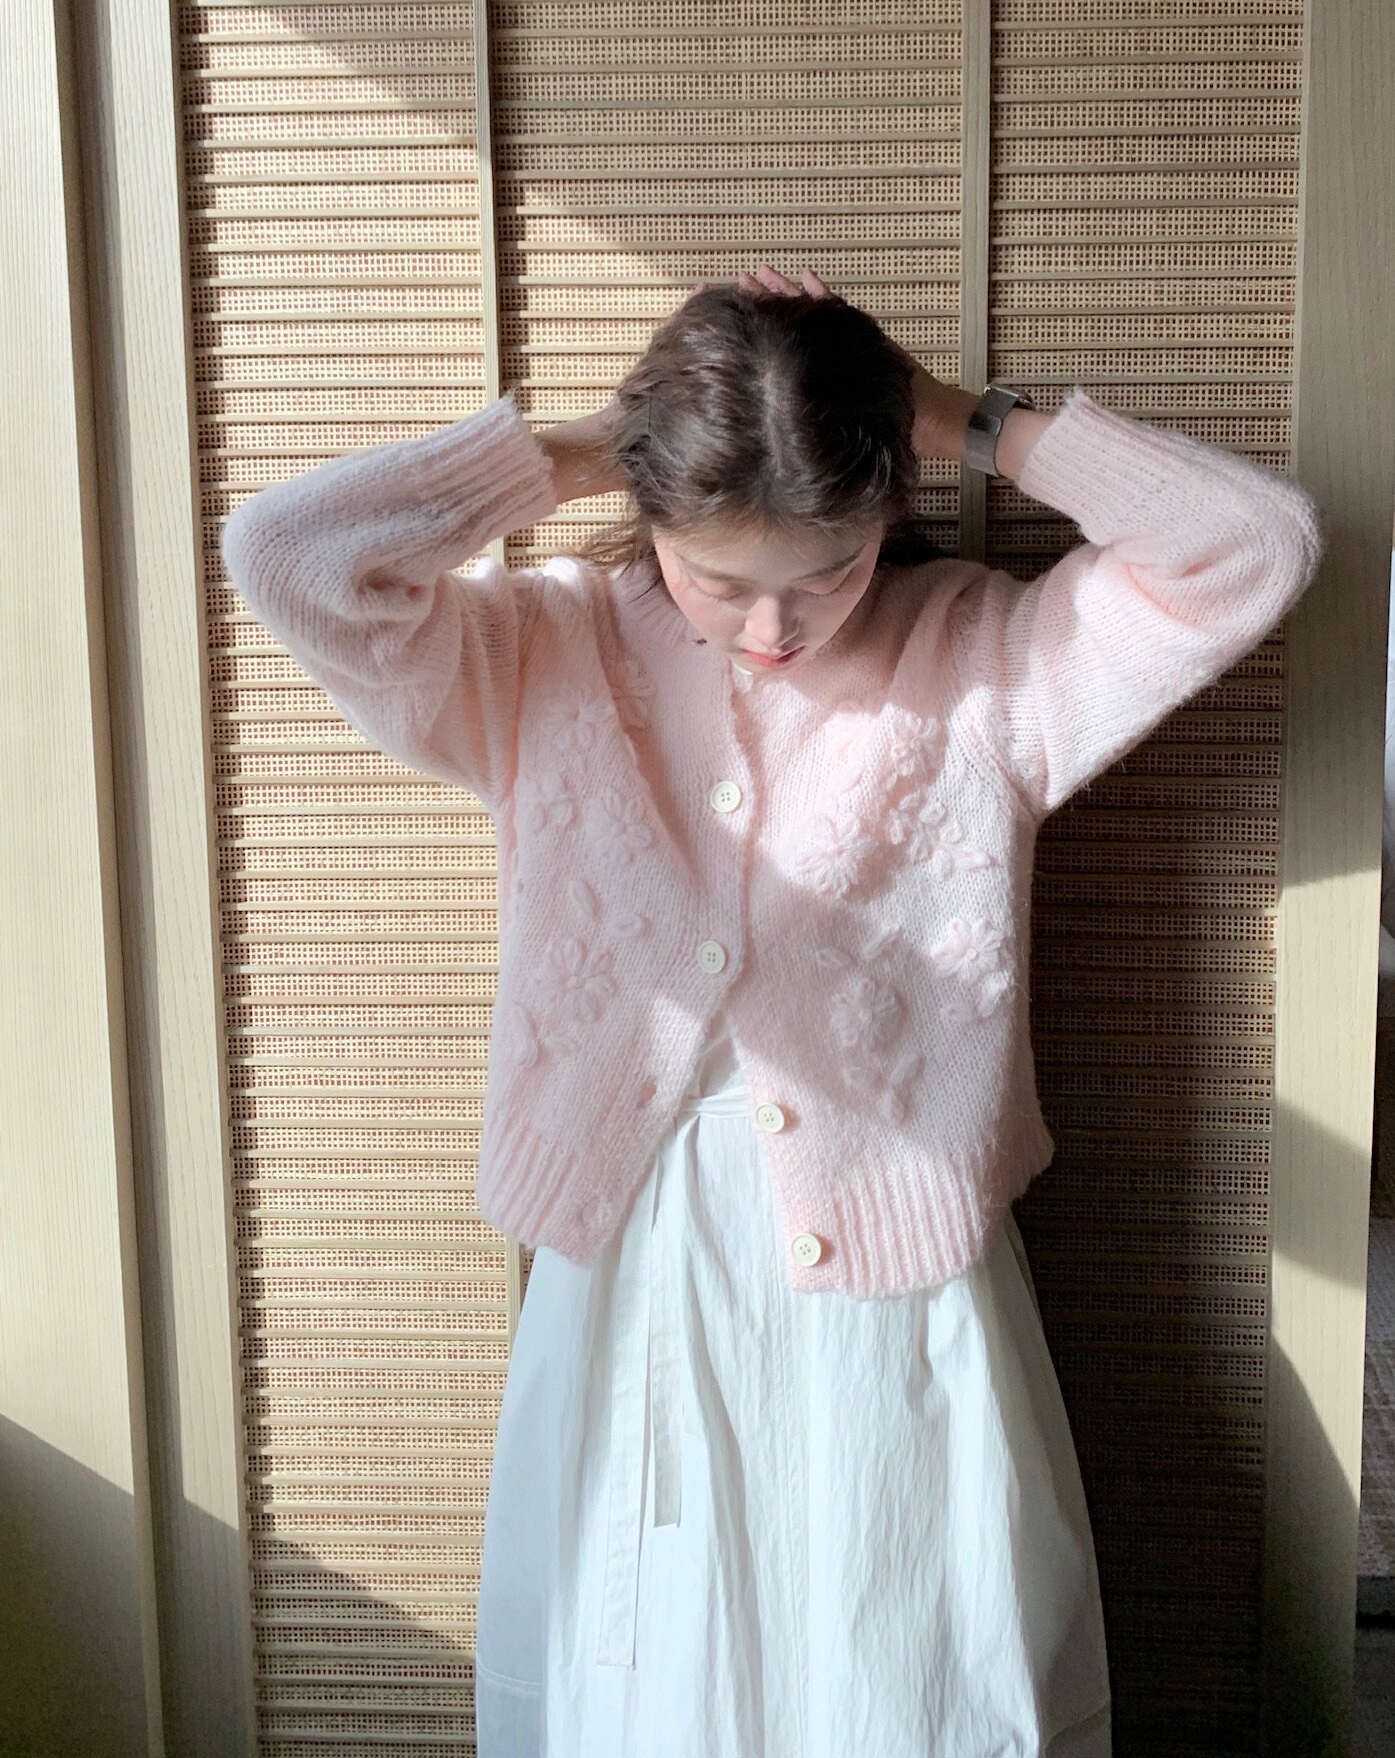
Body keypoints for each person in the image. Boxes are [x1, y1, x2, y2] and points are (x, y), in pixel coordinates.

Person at [220, 265, 1326, 1758]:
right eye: (718, 578)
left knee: (897, 1640)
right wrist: (590, 451)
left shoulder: (985, 661)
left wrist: (956, 420)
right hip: (638, 1235)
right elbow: (290, 556)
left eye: (827, 570)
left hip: (895, 1239)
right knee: (651, 1641)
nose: (772, 627)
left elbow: (1253, 546)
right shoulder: (538, 650)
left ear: (885, 513)